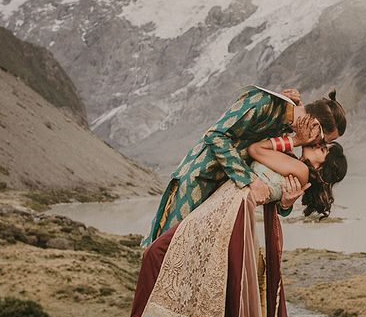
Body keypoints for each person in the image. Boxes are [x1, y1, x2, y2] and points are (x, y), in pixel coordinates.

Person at [129, 135, 348, 317]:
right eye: (321, 143)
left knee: (166, 265)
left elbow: (256, 149)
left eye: (323, 150)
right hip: (223, 208)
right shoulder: (297, 168)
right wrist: (284, 202)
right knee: (182, 276)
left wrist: (292, 139)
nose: (317, 144)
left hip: (228, 212)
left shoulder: (300, 170)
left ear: (323, 167)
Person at [141, 86, 347, 248]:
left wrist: (285, 204)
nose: (317, 145)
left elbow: (272, 182)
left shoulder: (287, 131)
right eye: (321, 139)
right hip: (197, 183)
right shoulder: (262, 102)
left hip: (221, 199)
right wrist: (251, 181)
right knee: (167, 251)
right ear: (314, 126)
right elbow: (215, 136)